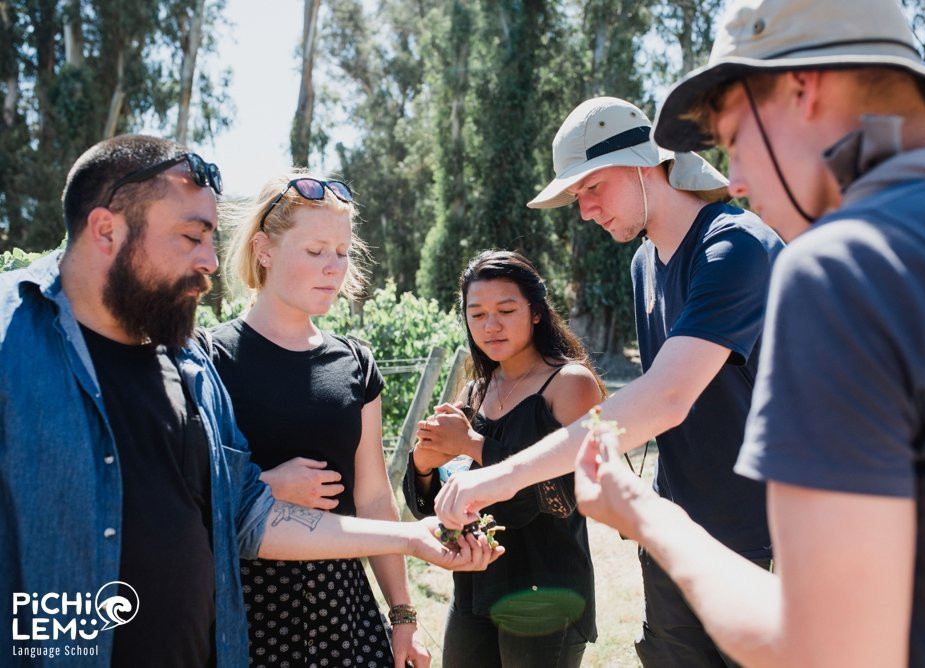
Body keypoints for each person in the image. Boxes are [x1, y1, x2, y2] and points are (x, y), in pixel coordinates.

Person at [576, 0, 925, 666]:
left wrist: (641, 515)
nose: (735, 180)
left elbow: (815, 643)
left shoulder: (844, 263)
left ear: (803, 88)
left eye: (735, 136)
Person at [0, 135, 499, 668]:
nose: (211, 261)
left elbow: (245, 515)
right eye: (192, 236)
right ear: (107, 230)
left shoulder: (187, 367)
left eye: (211, 238)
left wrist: (410, 544)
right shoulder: (17, 341)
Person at [435, 97, 783, 666]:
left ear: (647, 162)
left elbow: (666, 399)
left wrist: (497, 476)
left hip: (763, 535)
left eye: (593, 186)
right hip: (675, 525)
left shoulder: (734, 246)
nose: (585, 210)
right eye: (577, 196)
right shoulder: (644, 260)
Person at [205, 172, 428, 667]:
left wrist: (403, 615)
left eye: (342, 252)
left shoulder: (356, 363)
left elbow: (373, 496)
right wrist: (265, 487)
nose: (334, 268)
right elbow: (187, 497)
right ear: (264, 249)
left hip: (344, 612)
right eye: (315, 251)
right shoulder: (209, 359)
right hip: (245, 613)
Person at [402, 250, 604, 668]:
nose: (490, 325)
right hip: (476, 587)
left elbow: (567, 497)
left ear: (535, 312)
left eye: (505, 310)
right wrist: (423, 464)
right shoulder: (475, 390)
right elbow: (437, 504)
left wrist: (473, 444)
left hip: (546, 593)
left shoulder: (569, 384)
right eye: (476, 314)